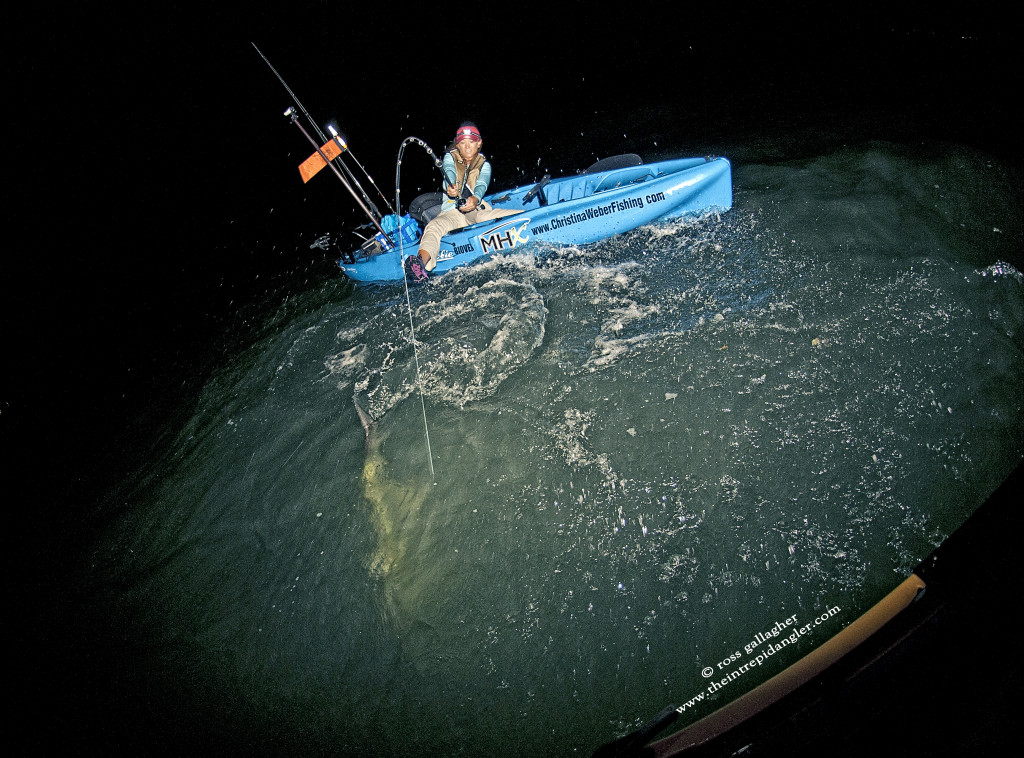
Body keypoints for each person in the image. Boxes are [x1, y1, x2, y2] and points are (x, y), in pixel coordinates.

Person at [411, 122, 522, 276]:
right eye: (463, 143)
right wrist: (450, 186)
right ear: (457, 145)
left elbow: (482, 184)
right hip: (452, 213)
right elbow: (448, 171)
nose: (467, 147)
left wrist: (475, 199)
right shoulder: (450, 158)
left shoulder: (484, 165)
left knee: (490, 216)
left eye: (471, 142)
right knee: (433, 226)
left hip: (475, 209)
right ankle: (419, 266)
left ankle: (531, 218)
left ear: (479, 143)